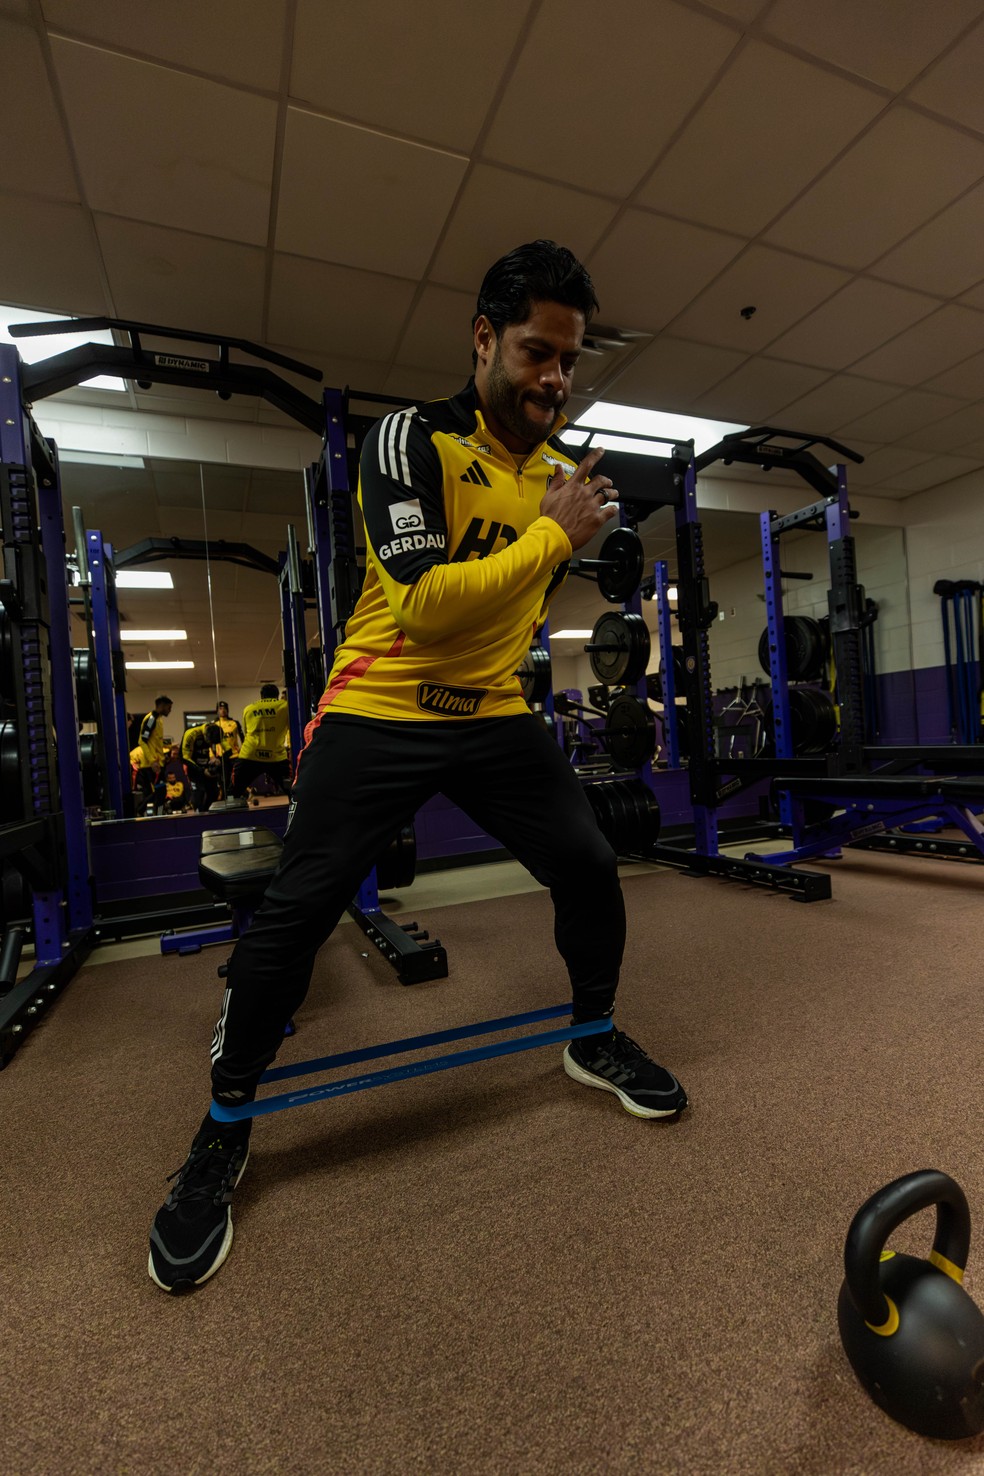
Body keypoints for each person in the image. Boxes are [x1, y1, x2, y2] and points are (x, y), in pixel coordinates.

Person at [149, 240, 688, 1294]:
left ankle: (591, 1034)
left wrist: (569, 532)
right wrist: (553, 539)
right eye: (537, 353)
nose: (554, 381)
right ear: (484, 340)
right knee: (296, 916)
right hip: (381, 706)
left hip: (491, 714)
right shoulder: (409, 440)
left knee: (586, 862)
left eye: (569, 362)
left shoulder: (551, 474)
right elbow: (428, 600)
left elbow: (513, 602)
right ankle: (223, 1125)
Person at [226, 684, 291, 806]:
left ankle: (230, 819)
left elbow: (247, 732)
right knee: (294, 790)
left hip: (250, 755)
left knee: (232, 791)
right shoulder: (285, 706)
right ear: (277, 696)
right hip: (276, 757)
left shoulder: (248, 709)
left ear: (261, 696)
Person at [131, 695, 172, 808]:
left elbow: (155, 742)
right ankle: (140, 810)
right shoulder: (151, 719)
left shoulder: (159, 719)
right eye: (169, 708)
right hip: (153, 765)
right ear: (162, 706)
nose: (170, 710)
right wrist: (152, 761)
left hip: (159, 763)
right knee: (159, 793)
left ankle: (150, 813)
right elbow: (142, 741)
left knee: (160, 793)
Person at [181, 721, 223, 811]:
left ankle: (208, 814)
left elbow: (225, 749)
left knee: (214, 793)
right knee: (198, 796)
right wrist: (202, 771)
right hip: (194, 769)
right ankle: (199, 817)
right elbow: (184, 758)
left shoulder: (215, 732)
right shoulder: (191, 734)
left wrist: (217, 759)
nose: (212, 744)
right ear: (206, 735)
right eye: (210, 742)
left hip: (207, 766)